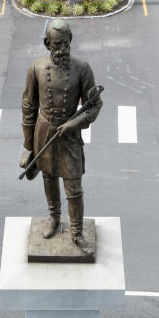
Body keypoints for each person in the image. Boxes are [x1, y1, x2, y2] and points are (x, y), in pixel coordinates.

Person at [20, 19, 103, 250]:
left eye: (65, 44)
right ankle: (54, 217)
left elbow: (95, 105)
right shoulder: (35, 68)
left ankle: (77, 232)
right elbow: (28, 107)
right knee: (48, 178)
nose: (62, 50)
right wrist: (29, 146)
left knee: (74, 188)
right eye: (56, 45)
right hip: (44, 133)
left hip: (69, 137)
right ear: (47, 44)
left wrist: (74, 124)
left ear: (71, 42)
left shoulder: (82, 68)